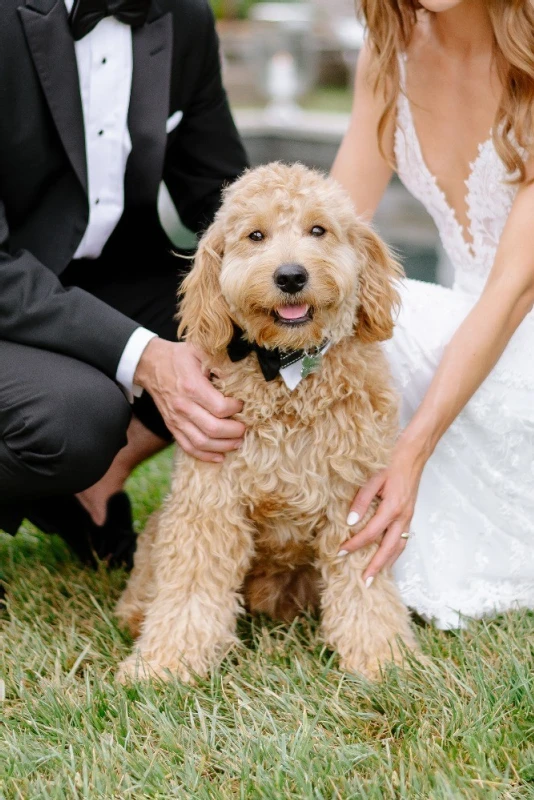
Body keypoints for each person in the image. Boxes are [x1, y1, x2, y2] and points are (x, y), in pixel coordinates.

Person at [0, 0, 248, 568]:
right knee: (75, 417)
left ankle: (95, 484)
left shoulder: (183, 17)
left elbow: (220, 191)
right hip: (7, 275)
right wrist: (144, 357)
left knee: (258, 330)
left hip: (105, 270)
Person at [332, 0, 534, 628]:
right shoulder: (388, 50)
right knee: (327, 317)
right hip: (463, 319)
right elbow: (336, 229)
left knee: (391, 320)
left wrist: (412, 452)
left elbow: (510, 293)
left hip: (514, 316)